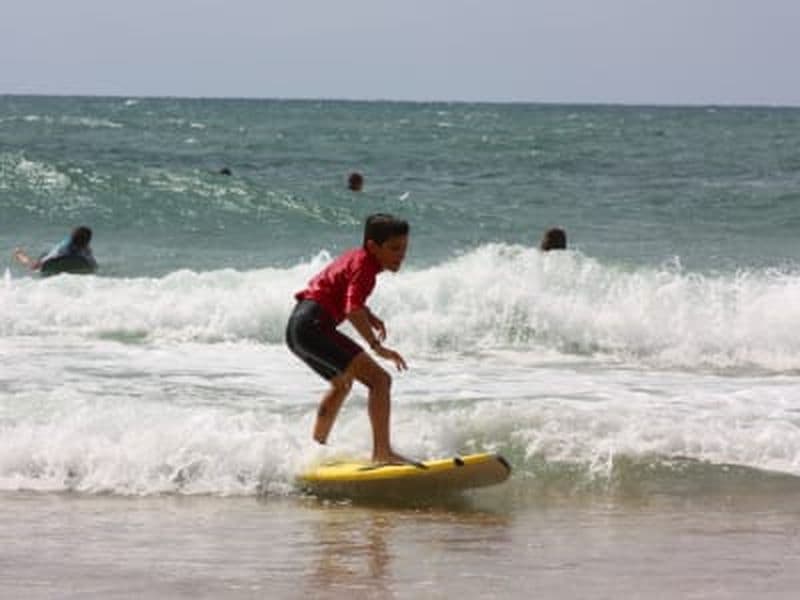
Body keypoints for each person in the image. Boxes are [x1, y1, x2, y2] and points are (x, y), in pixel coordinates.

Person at [286, 213, 411, 464]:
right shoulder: (366, 268)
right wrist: (378, 347)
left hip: (296, 328)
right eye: (394, 248)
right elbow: (351, 310)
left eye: (404, 248)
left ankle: (316, 451)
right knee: (380, 381)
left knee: (341, 383)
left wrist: (369, 313)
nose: (401, 255)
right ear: (373, 246)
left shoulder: (356, 257)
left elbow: (339, 293)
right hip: (314, 326)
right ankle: (382, 453)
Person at [13, 226, 98, 275]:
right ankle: (19, 254)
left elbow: (92, 263)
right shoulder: (64, 247)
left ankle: (19, 252)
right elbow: (47, 260)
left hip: (61, 258)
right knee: (32, 265)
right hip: (52, 257)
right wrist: (40, 265)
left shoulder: (85, 247)